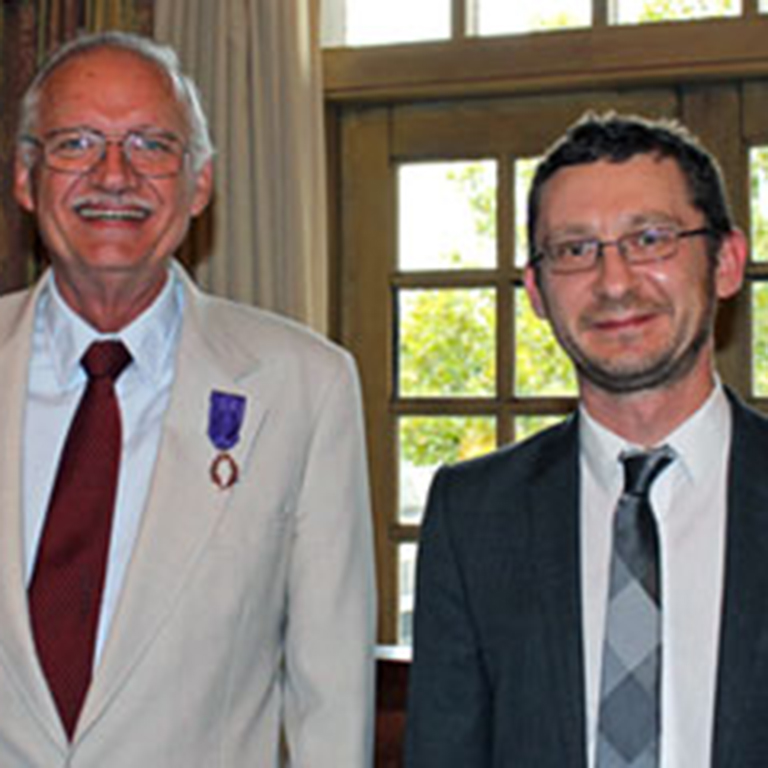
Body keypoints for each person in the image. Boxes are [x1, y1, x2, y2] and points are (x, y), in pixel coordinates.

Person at [0, 31, 375, 767]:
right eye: (76, 143)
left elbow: (331, 696)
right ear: (25, 177)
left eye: (151, 145)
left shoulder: (305, 387)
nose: (114, 175)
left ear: (200, 184)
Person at [404, 113, 768, 767]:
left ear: (727, 262)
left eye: (650, 239)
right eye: (575, 250)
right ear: (537, 290)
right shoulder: (474, 514)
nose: (615, 281)